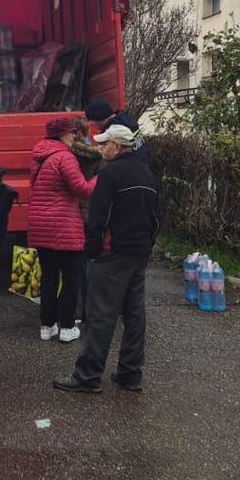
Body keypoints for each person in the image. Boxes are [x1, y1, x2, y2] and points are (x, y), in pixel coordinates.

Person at [54, 124, 161, 396]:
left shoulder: (109, 173)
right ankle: (130, 373)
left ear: (117, 146)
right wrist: (148, 245)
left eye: (104, 144)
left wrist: (92, 250)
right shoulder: (145, 172)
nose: (100, 149)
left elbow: (97, 217)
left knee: (101, 314)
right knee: (134, 314)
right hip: (138, 253)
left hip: (112, 253)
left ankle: (88, 376)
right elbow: (157, 216)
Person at [27, 115, 97, 344]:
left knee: (48, 277)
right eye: (70, 132)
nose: (73, 136)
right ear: (63, 134)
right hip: (64, 225)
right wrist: (100, 176)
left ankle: (47, 326)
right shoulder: (64, 157)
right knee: (71, 277)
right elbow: (82, 189)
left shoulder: (39, 155)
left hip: (41, 224)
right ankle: (67, 327)